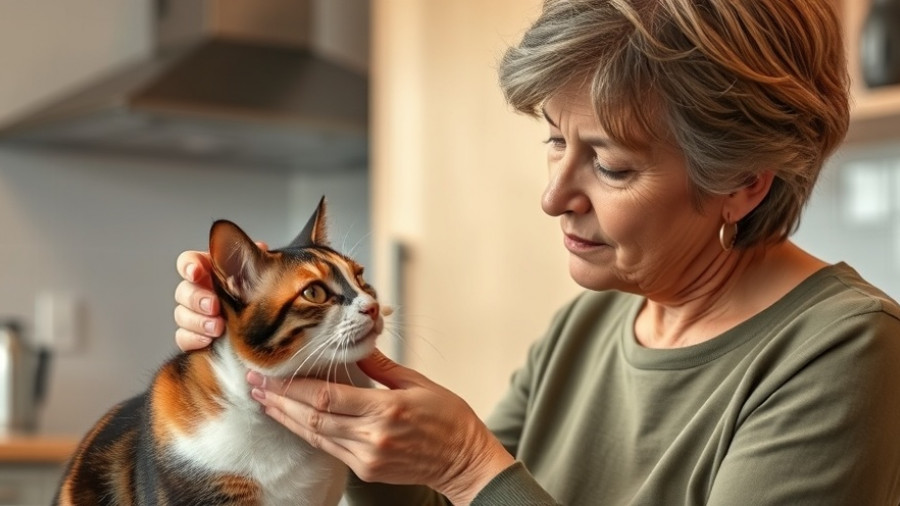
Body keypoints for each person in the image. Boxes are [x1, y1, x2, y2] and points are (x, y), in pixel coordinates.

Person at [173, 0, 900, 504]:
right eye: (555, 138)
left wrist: (470, 466)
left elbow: (478, 486)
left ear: (742, 183)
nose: (554, 195)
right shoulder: (583, 330)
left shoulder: (844, 350)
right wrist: (323, 387)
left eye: (610, 165)